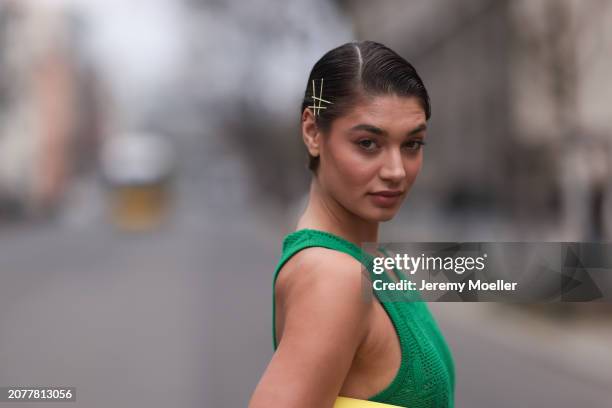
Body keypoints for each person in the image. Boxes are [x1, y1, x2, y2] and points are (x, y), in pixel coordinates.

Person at [249, 41, 455, 408]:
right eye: (368, 143)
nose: (396, 171)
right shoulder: (334, 276)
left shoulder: (374, 264)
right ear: (313, 131)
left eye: (412, 144)